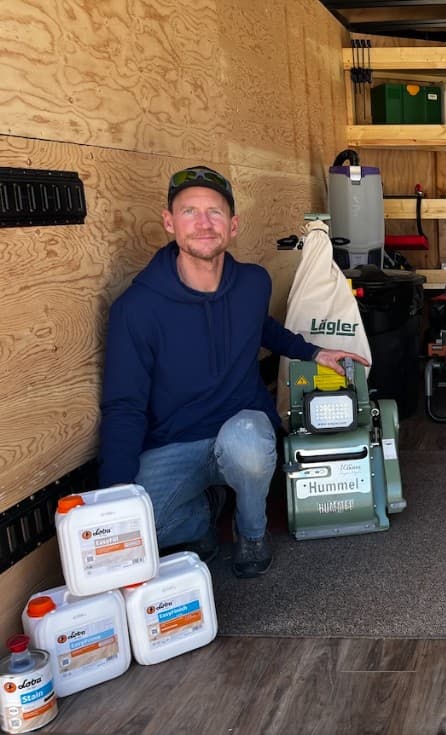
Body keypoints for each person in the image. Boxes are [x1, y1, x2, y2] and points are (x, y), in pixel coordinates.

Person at [98, 165, 368, 578]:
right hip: (172, 442)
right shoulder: (136, 310)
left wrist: (312, 351)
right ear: (169, 222)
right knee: (134, 528)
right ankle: (202, 519)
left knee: (248, 445)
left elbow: (260, 327)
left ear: (234, 224)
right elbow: (124, 407)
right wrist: (113, 497)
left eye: (215, 213)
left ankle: (251, 531)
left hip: (241, 429)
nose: (204, 224)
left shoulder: (253, 283)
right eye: (190, 212)